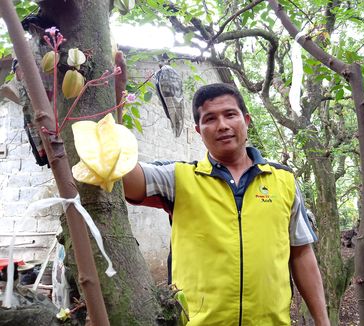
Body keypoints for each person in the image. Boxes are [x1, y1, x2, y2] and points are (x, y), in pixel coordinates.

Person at [123, 83, 330, 325]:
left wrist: (322, 321)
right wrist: (114, 110)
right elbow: (126, 179)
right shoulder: (179, 178)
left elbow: (301, 254)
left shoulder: (283, 180)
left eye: (230, 114)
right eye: (210, 118)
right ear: (198, 131)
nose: (222, 125)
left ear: (246, 120)